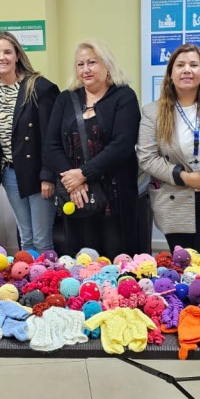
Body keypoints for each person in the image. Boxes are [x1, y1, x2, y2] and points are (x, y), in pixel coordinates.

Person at [45, 40, 141, 259]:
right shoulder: (65, 99)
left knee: (117, 259)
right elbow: (51, 144)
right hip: (77, 196)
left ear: (107, 66)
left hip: (114, 197)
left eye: (92, 63)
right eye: (80, 64)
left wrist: (83, 174)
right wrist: (72, 180)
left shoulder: (124, 97)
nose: (85, 69)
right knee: (81, 260)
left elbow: (122, 145)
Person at [137, 43, 200, 264]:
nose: (187, 70)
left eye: (193, 65)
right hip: (175, 199)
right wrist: (185, 177)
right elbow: (146, 157)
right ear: (170, 73)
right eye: (180, 65)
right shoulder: (153, 112)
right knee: (184, 269)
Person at [0, 31, 61, 254]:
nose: (1, 57)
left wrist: (48, 175)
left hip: (37, 173)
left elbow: (51, 136)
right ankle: (30, 284)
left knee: (41, 238)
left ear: (17, 55)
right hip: (9, 173)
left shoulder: (39, 87)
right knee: (26, 237)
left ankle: (49, 283)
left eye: (7, 52)